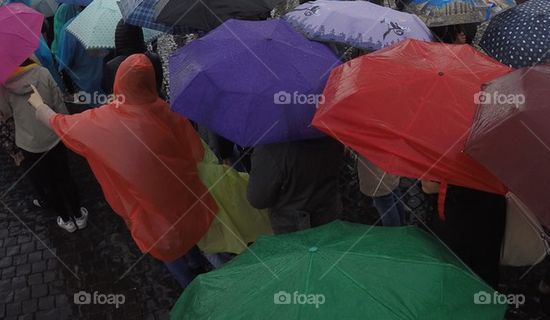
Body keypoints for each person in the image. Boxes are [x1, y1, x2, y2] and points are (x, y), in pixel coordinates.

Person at [29, 55, 218, 287]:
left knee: (166, 245)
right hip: (182, 195)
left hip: (147, 207)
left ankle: (192, 287)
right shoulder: (166, 109)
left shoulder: (104, 119)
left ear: (118, 82)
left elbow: (63, 125)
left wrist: (39, 106)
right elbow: (196, 152)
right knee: (186, 231)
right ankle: (197, 263)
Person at [0, 58, 85, 232]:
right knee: (65, 176)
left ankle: (66, 219)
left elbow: (6, 113)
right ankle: (78, 215)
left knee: (49, 183)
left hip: (29, 144)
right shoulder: (43, 73)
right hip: (53, 135)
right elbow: (59, 103)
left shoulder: (4, 85)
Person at [246, 136, 344, 235]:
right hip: (331, 215)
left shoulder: (270, 148)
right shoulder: (330, 132)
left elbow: (258, 199)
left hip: (292, 228)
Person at [355, 153, 405, 227]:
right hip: (390, 158)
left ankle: (394, 234)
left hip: (375, 162)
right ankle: (401, 227)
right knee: (393, 192)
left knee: (384, 200)